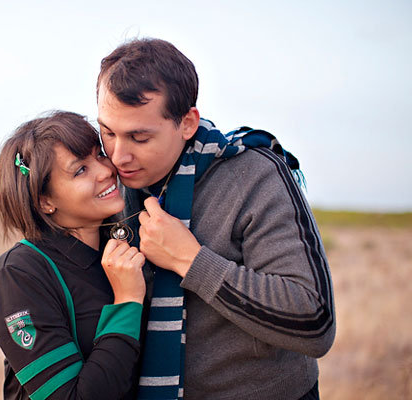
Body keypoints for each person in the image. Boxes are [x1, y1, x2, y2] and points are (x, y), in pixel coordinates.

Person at [96, 38, 336, 399]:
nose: (118, 155)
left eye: (140, 137)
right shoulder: (105, 184)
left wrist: (189, 260)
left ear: (187, 123)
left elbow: (314, 321)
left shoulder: (254, 176)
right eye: (108, 132)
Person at [0, 111, 147, 399]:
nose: (105, 170)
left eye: (99, 155)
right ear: (44, 201)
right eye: (80, 170)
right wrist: (127, 302)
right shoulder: (19, 275)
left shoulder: (127, 247)